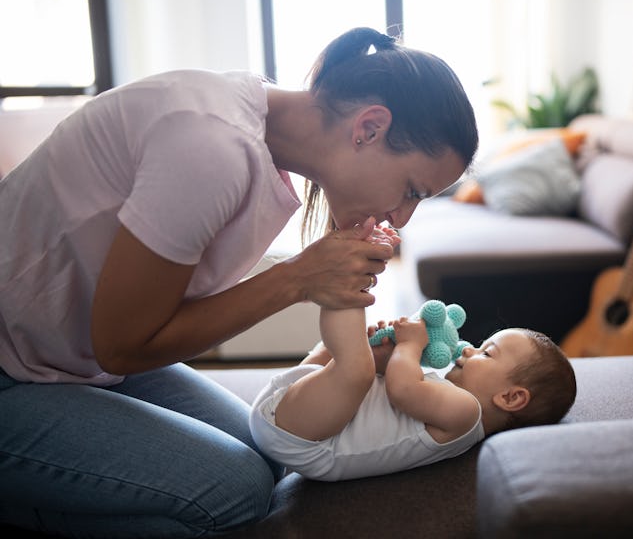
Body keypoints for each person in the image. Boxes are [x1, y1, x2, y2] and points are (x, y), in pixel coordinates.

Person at [0, 27, 478, 537]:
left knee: (271, 447)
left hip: (73, 356)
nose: (401, 219)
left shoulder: (258, 129)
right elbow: (122, 347)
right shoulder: (212, 145)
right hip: (21, 366)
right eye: (410, 190)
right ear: (369, 127)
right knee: (236, 490)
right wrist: (295, 280)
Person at [249, 304, 577, 481]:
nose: (467, 351)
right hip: (307, 416)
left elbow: (403, 390)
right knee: (350, 361)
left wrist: (410, 345)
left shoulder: (466, 413)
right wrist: (386, 358)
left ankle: (343, 291)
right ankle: (344, 334)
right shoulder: (453, 395)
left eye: (486, 353)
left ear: (510, 398)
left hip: (311, 440)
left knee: (353, 361)